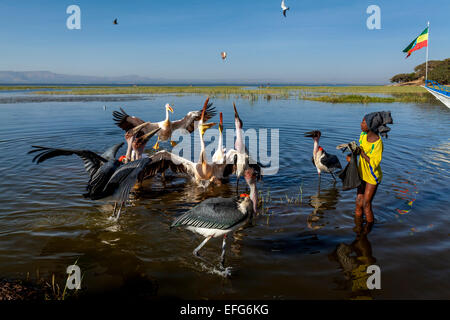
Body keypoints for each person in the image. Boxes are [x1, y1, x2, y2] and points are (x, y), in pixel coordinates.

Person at [355, 111, 392, 223]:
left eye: (363, 122)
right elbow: (359, 150)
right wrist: (352, 153)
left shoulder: (378, 144)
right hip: (362, 173)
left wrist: (362, 153)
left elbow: (374, 163)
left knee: (366, 204)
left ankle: (369, 229)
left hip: (372, 177)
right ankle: (357, 226)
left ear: (371, 126)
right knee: (358, 201)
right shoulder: (363, 135)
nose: (361, 124)